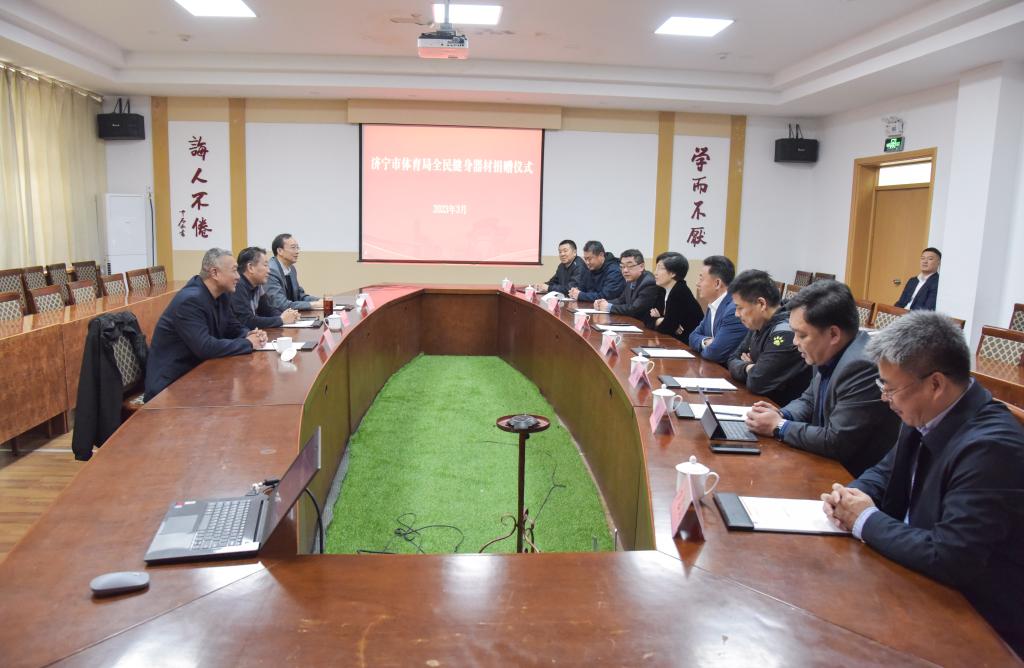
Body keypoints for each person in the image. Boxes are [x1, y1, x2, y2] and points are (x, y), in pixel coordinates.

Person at [821, 311, 1024, 655]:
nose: (885, 398)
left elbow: (951, 556)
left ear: (935, 384)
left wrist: (863, 518)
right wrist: (852, 494)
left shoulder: (992, 447)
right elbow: (886, 471)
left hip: (977, 622)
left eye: (890, 388)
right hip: (916, 575)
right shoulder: (928, 412)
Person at [745, 280, 901, 476]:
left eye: (801, 335)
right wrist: (782, 414)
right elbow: (809, 400)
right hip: (823, 461)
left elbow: (837, 441)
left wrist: (779, 426)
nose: (794, 342)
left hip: (851, 476)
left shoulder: (862, 366)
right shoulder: (827, 351)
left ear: (833, 334)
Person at [144, 248, 265, 401]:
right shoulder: (190, 301)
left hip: (200, 374)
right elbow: (205, 347)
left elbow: (232, 326)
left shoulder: (222, 294)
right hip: (171, 384)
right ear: (214, 273)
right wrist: (248, 343)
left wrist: (249, 334)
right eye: (234, 271)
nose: (238, 277)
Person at [726, 270, 810, 406]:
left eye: (740, 308)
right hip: (760, 404)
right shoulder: (757, 323)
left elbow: (757, 382)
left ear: (761, 304)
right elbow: (731, 359)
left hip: (780, 409)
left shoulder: (785, 332)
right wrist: (750, 367)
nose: (736, 314)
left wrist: (753, 368)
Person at [687, 255, 746, 364]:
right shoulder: (713, 304)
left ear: (717, 283)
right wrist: (706, 342)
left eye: (701, 279)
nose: (697, 284)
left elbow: (714, 353)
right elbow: (692, 337)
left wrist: (711, 346)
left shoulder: (733, 310)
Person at [232, 246, 300, 329]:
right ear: (250, 267)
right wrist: (281, 320)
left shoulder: (257, 284)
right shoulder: (237, 286)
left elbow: (267, 310)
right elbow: (246, 321)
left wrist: (287, 315)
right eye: (265, 265)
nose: (269, 270)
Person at [649, 251, 703, 342]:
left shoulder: (680, 291)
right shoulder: (662, 289)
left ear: (673, 273)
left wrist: (658, 320)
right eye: (656, 268)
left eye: (660, 268)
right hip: (672, 340)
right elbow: (647, 317)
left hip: (688, 343)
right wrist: (661, 320)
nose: (655, 273)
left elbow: (667, 328)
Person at [594, 249, 659, 323]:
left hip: (643, 325)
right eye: (622, 266)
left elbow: (635, 309)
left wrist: (609, 307)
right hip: (631, 322)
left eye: (629, 266)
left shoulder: (648, 283)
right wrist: (603, 303)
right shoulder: (631, 278)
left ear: (641, 266)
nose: (625, 270)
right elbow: (621, 300)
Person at [266, 234, 323, 312]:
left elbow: (300, 296)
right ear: (280, 251)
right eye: (293, 248)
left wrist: (320, 300)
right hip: (276, 316)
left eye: (297, 248)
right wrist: (314, 304)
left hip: (291, 315)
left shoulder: (291, 269)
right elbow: (281, 304)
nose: (297, 251)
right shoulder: (271, 270)